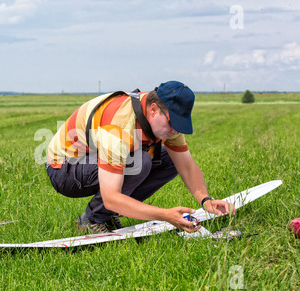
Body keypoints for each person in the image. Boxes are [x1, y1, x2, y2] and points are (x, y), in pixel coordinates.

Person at [45, 81, 235, 234]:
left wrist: (206, 200)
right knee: (140, 162)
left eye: (180, 124)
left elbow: (186, 166)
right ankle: (92, 220)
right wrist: (165, 215)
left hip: (94, 160)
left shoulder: (164, 120)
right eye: (172, 123)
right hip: (65, 169)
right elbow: (111, 197)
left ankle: (107, 214)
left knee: (169, 159)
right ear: (153, 110)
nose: (175, 130)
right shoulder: (119, 127)